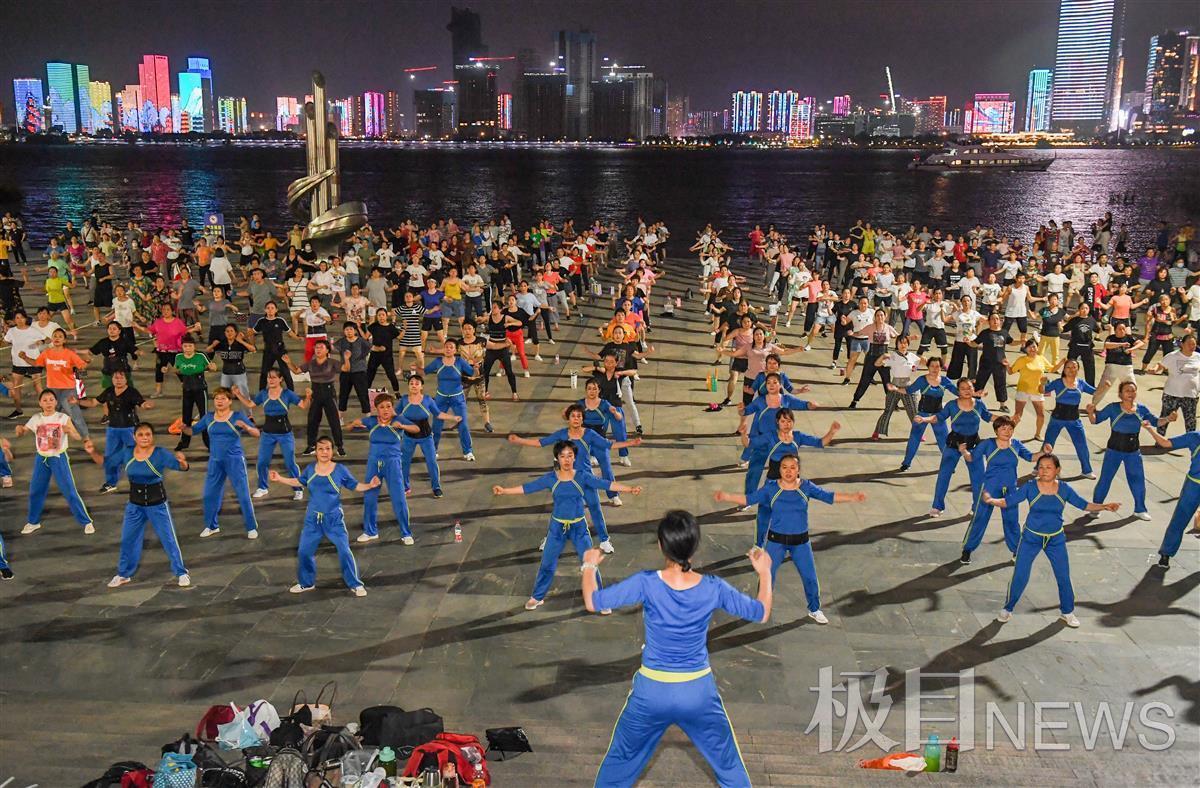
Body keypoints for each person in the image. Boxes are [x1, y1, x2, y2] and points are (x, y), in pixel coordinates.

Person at [583, 510, 771, 788]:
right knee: (729, 765)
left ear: (662, 545)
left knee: (619, 763)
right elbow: (761, 612)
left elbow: (593, 601)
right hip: (698, 692)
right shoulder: (714, 587)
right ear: (695, 546)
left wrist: (589, 566)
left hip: (652, 692)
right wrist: (764, 572)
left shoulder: (645, 582)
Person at [493, 440, 642, 611]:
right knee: (547, 563)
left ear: (574, 458)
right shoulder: (551, 479)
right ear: (557, 458)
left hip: (579, 527)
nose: (566, 459)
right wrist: (504, 491)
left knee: (590, 565)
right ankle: (537, 597)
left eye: (570, 455)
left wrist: (629, 489)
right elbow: (528, 488)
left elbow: (605, 484)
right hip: (557, 528)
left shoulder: (582, 476)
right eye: (562, 456)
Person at [715, 453, 863, 623]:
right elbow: (749, 499)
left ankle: (814, 609)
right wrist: (726, 497)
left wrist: (853, 497)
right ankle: (760, 607)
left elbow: (828, 496)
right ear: (779, 470)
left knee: (810, 577)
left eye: (792, 467)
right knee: (767, 575)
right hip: (776, 542)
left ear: (798, 470)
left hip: (801, 543)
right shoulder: (771, 489)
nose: (788, 471)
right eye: (784, 467)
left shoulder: (806, 487)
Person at [984, 454, 1119, 628]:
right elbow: (1008, 501)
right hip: (1031, 538)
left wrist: (1105, 506)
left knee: (1063, 576)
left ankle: (1067, 612)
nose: (1044, 470)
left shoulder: (1064, 489)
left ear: (1057, 470)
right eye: (1040, 467)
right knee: (1020, 575)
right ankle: (1007, 608)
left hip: (1056, 539)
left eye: (1048, 467)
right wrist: (991, 500)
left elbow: (1084, 505)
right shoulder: (1030, 487)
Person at [268, 437, 377, 597]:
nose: (324, 452)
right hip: (312, 520)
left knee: (344, 551)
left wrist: (369, 485)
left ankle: (355, 584)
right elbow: (299, 481)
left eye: (327, 449)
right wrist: (280, 479)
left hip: (334, 519)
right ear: (316, 452)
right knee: (304, 552)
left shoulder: (340, 470)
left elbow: (355, 485)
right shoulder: (310, 469)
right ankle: (306, 583)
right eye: (320, 449)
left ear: (332, 451)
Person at [106, 424, 191, 588]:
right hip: (134, 506)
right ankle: (123, 574)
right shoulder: (127, 452)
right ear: (134, 437)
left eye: (148, 434)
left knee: (169, 539)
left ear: (152, 436)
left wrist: (183, 462)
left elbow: (182, 467)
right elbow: (107, 462)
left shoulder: (160, 453)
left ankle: (181, 572)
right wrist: (92, 452)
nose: (144, 437)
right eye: (141, 434)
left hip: (157, 505)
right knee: (128, 540)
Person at [16, 388, 101, 535]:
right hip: (41, 459)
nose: (48, 403)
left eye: (51, 400)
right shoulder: (36, 418)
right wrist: (19, 430)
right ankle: (33, 522)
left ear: (56, 402)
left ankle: (86, 521)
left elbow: (77, 436)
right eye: (45, 400)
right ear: (40, 403)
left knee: (69, 491)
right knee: (36, 491)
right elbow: (23, 431)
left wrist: (70, 431)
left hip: (58, 458)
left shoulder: (62, 417)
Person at [185, 387, 262, 538]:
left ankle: (251, 527)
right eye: (216, 399)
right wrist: (183, 428)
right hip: (215, 461)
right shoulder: (208, 417)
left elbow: (257, 433)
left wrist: (246, 427)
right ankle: (211, 526)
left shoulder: (237, 416)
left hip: (235, 461)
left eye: (223, 398)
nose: (219, 401)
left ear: (229, 401)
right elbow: (193, 431)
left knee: (243, 495)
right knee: (209, 495)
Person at [959, 416, 1037, 564]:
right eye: (1003, 428)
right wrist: (963, 451)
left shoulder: (1016, 444)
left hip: (1010, 490)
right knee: (980, 519)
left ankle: (1017, 550)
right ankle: (967, 549)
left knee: (1012, 522)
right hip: (989, 488)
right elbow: (971, 458)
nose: (1007, 431)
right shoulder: (987, 444)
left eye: (1010, 429)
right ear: (996, 430)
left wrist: (1044, 451)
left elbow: (1031, 457)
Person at [346, 392, 422, 545]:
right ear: (376, 409)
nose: (386, 410)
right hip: (374, 464)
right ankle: (370, 531)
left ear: (392, 407)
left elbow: (416, 429)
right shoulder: (371, 421)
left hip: (393, 464)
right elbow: (348, 428)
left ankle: (406, 533)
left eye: (388, 406)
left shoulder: (398, 420)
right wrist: (353, 424)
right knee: (369, 497)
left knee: (398, 498)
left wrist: (402, 426)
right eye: (382, 407)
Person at [915, 378, 991, 517]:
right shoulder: (952, 405)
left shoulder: (979, 404)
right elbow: (939, 417)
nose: (967, 391)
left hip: (973, 445)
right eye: (963, 388)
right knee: (944, 475)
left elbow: (988, 417)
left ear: (973, 389)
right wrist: (924, 419)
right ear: (958, 391)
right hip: (954, 444)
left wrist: (1008, 420)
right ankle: (937, 506)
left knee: (979, 478)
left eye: (969, 388)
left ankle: (977, 507)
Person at [73, 370, 153, 494]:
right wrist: (77, 402)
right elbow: (94, 402)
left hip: (130, 429)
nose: (118, 380)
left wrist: (146, 405)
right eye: (116, 378)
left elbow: (141, 403)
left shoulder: (132, 392)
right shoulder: (109, 391)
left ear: (126, 380)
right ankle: (111, 483)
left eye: (121, 377)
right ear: (112, 380)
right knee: (110, 458)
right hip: (113, 430)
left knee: (136, 456)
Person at [238, 369, 306, 500]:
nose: (271, 380)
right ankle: (262, 488)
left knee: (290, 463)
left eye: (274, 377)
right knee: (262, 462)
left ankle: (298, 488)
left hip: (285, 434)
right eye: (269, 377)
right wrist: (238, 394)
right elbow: (250, 404)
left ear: (280, 379)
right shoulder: (263, 393)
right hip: (268, 433)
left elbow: (303, 406)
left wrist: (308, 397)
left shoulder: (287, 394)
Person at [1142, 424, 1200, 569]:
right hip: (1194, 485)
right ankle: (1166, 554)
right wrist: (1150, 429)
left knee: (1179, 519)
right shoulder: (1195, 437)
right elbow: (1166, 443)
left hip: (1193, 485)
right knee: (1180, 519)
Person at [398, 373, 460, 498]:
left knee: (431, 461)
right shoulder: (403, 400)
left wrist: (453, 417)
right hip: (408, 437)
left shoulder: (427, 400)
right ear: (408, 386)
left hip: (426, 437)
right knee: (404, 462)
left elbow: (438, 414)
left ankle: (436, 487)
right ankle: (405, 486)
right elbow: (394, 414)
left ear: (421, 386)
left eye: (417, 384)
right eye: (411, 384)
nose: (414, 386)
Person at [286, 339, 345, 456]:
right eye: (316, 347)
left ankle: (339, 446)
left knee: (334, 421)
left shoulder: (332, 362)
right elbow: (296, 371)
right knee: (312, 420)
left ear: (327, 350)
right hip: (316, 392)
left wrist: (347, 359)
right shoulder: (311, 363)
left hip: (329, 393)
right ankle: (311, 445)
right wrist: (289, 362)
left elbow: (346, 369)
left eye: (321, 347)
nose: (318, 349)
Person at [1042, 359, 1097, 479]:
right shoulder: (1058, 382)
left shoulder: (1081, 383)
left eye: (1074, 367)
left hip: (1074, 419)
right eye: (1068, 367)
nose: (1071, 370)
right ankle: (1038, 468)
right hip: (1057, 418)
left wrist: (1106, 385)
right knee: (1048, 444)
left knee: (1082, 445)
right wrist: (1042, 383)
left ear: (1078, 369)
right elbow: (1043, 390)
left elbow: (1096, 392)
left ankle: (1087, 470)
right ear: (1064, 369)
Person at [425, 338, 476, 462]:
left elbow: (472, 373)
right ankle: (433, 450)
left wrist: (476, 366)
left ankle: (468, 451)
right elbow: (424, 371)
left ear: (455, 350)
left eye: (451, 347)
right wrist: (415, 369)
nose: (448, 349)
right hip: (440, 398)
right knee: (436, 425)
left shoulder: (460, 362)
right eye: (446, 347)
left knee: (463, 425)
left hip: (457, 398)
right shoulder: (438, 361)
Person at [900, 357, 954, 472]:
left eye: (937, 366)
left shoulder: (945, 381)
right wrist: (895, 388)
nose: (935, 369)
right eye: (932, 366)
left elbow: (959, 392)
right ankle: (906, 463)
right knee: (914, 439)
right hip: (922, 415)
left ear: (941, 368)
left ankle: (948, 465)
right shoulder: (922, 380)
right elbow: (909, 390)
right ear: (928, 367)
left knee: (944, 441)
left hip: (937, 416)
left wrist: (973, 393)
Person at [1008, 339, 1050, 442]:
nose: (1032, 348)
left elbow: (1052, 369)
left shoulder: (1041, 359)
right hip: (1023, 389)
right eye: (1029, 347)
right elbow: (1011, 372)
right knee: (1018, 415)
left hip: (1037, 390)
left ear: (1037, 348)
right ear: (1025, 349)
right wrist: (1006, 365)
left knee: (1041, 415)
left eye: (1034, 346)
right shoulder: (1021, 360)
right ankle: (1008, 434)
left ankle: (1037, 434)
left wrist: (1062, 362)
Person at [1157, 334, 1199, 433]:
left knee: (1191, 422)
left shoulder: (1198, 357)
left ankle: (1191, 439)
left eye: (1194, 344)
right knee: (1165, 418)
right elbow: (1160, 366)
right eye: (1189, 344)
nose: (1192, 346)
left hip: (1191, 395)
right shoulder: (1172, 356)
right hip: (1172, 394)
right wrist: (1155, 369)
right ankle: (1159, 438)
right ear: (1182, 344)